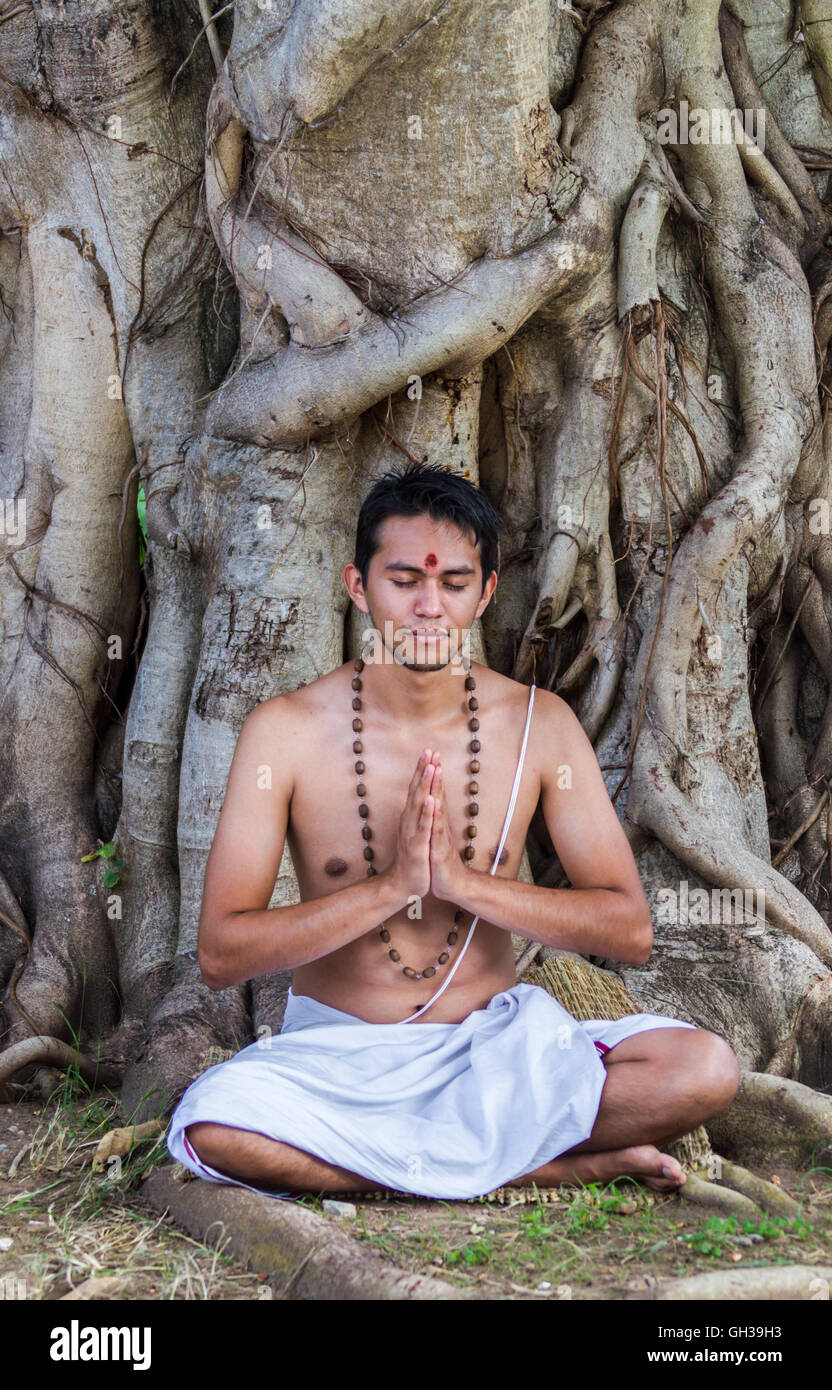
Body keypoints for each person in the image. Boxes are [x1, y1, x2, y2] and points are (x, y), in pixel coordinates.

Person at [167, 462, 740, 1201]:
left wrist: (463, 885)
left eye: (454, 584)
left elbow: (627, 929)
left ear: (487, 593)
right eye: (404, 581)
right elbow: (221, 952)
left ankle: (418, 1165)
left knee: (703, 1069)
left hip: (493, 1054)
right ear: (357, 586)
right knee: (214, 1130)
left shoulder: (541, 727)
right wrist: (391, 888)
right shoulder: (284, 733)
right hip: (337, 1061)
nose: (429, 607)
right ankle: (535, 1165)